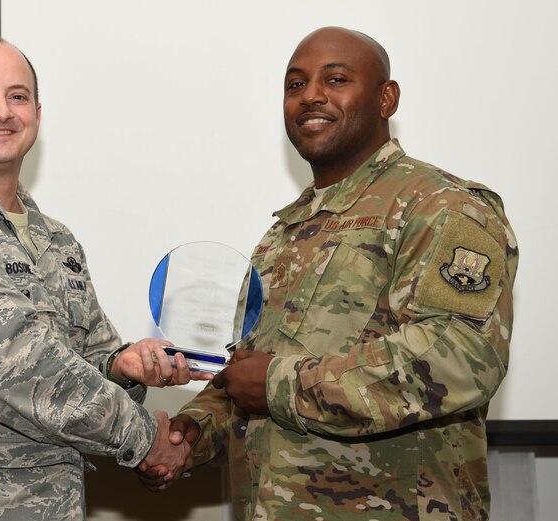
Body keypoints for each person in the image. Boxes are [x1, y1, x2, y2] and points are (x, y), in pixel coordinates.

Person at [138, 26, 518, 521]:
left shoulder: (443, 206)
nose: (310, 95)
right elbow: (246, 373)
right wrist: (192, 433)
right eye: (295, 85)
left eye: (335, 79)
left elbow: (461, 358)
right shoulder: (282, 234)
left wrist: (277, 381)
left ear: (387, 99)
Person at [0, 36, 208, 521]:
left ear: (37, 115)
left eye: (18, 96)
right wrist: (146, 438)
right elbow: (14, 368)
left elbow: (86, 355)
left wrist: (122, 366)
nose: (1, 111)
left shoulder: (57, 240)